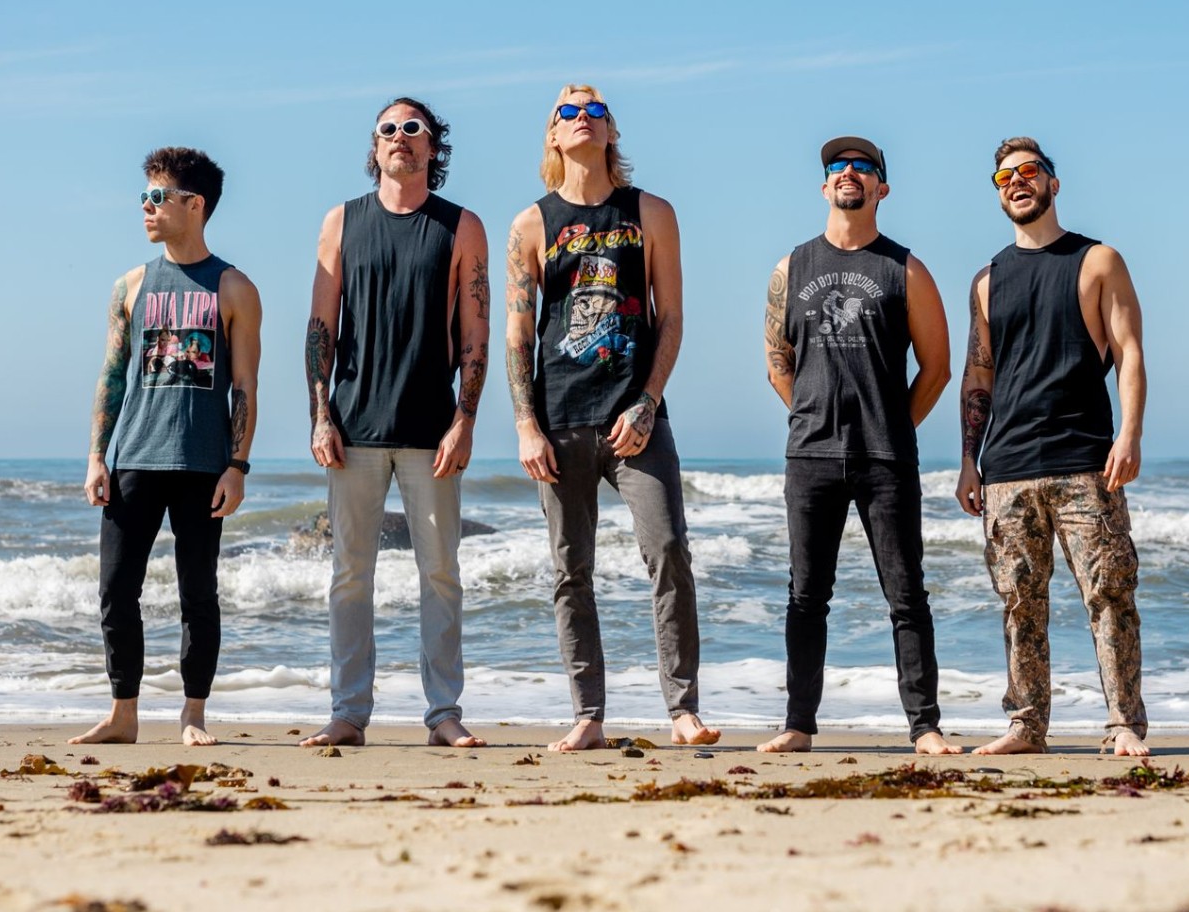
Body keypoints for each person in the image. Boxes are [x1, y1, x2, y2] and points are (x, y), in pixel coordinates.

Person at [503, 84, 720, 752]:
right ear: (552, 134)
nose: (583, 119)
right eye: (568, 112)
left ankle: (682, 709)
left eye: (595, 110)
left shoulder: (651, 212)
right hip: (559, 422)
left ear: (611, 131)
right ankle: (588, 715)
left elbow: (671, 317)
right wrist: (525, 425)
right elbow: (517, 334)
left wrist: (648, 403)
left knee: (669, 551)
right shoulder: (531, 224)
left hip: (636, 418)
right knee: (571, 571)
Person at [758, 137, 960, 756]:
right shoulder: (791, 268)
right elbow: (777, 362)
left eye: (864, 166)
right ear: (825, 186)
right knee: (805, 596)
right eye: (838, 167)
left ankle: (925, 727)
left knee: (906, 596)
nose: (849, 172)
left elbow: (937, 368)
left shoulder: (905, 269)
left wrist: (892, 426)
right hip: (810, 457)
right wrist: (813, 415)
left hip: (885, 459)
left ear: (881, 187)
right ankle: (798, 725)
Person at [299, 98, 489, 750]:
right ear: (375, 147)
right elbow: (320, 326)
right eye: (388, 129)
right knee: (350, 576)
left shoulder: (461, 226)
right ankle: (348, 713)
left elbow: (476, 333)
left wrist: (465, 420)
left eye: (414, 129)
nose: (400, 137)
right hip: (352, 429)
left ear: (433, 147)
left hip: (431, 431)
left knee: (440, 575)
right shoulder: (342, 222)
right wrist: (320, 415)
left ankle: (444, 714)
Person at [954, 136, 1151, 757]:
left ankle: (1123, 724)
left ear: (1052, 183)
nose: (1017, 182)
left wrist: (1130, 433)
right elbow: (978, 375)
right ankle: (1026, 725)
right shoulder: (986, 280)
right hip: (1007, 468)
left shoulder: (1098, 261)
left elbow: (1129, 352)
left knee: (1110, 594)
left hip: (1084, 462)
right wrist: (968, 461)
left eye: (1029, 171)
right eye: (1004, 177)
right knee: (1019, 602)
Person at [76, 147, 261, 746]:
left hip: (202, 463)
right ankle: (122, 714)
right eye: (145, 197)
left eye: (158, 197)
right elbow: (112, 374)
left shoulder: (234, 287)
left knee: (197, 594)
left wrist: (237, 466)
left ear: (195, 204)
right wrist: (97, 457)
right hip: (133, 458)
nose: (147, 208)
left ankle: (193, 715)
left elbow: (244, 386)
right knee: (115, 590)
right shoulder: (129, 286)